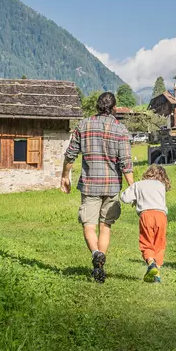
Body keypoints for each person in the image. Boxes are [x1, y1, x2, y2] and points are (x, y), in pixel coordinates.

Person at [62, 92, 134, 283]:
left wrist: (64, 176)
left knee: (88, 225)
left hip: (90, 185)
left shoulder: (83, 125)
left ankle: (95, 254)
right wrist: (133, 189)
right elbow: (126, 163)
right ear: (114, 108)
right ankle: (99, 265)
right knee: (106, 226)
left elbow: (70, 155)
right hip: (111, 187)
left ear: (96, 106)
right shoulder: (120, 130)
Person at [120, 165, 171, 283]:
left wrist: (135, 198)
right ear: (163, 177)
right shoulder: (161, 186)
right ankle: (156, 274)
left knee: (146, 242)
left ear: (148, 173)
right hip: (161, 216)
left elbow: (124, 198)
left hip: (146, 215)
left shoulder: (139, 184)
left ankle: (151, 263)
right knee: (159, 244)